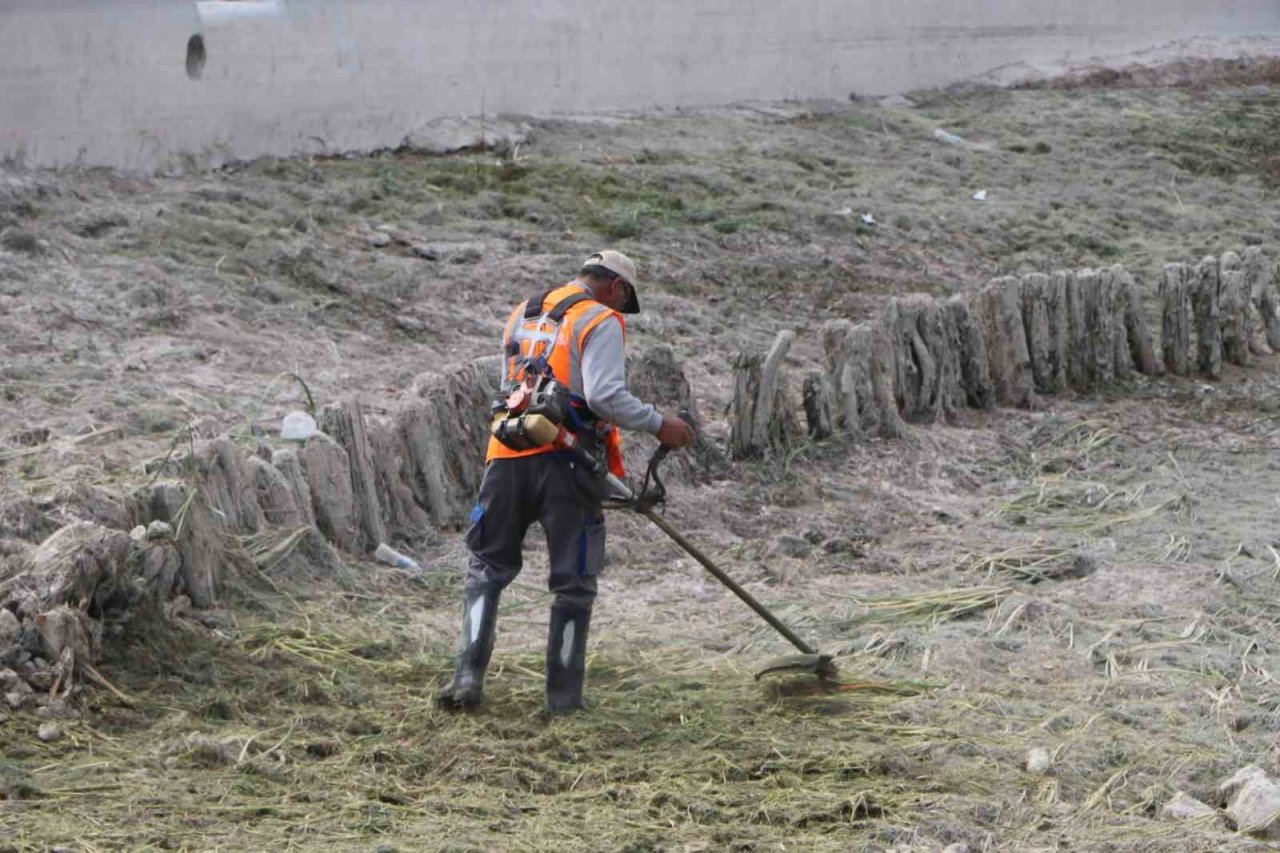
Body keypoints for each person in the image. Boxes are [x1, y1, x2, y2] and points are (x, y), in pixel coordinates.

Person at [436, 250, 695, 715]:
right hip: (566, 464)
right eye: (623, 301)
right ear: (615, 287)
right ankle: (562, 702)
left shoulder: (523, 311)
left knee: (485, 569)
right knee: (573, 584)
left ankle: (466, 679)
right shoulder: (600, 320)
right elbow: (604, 395)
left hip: (506, 455)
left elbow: (507, 386)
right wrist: (660, 424)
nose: (621, 312)